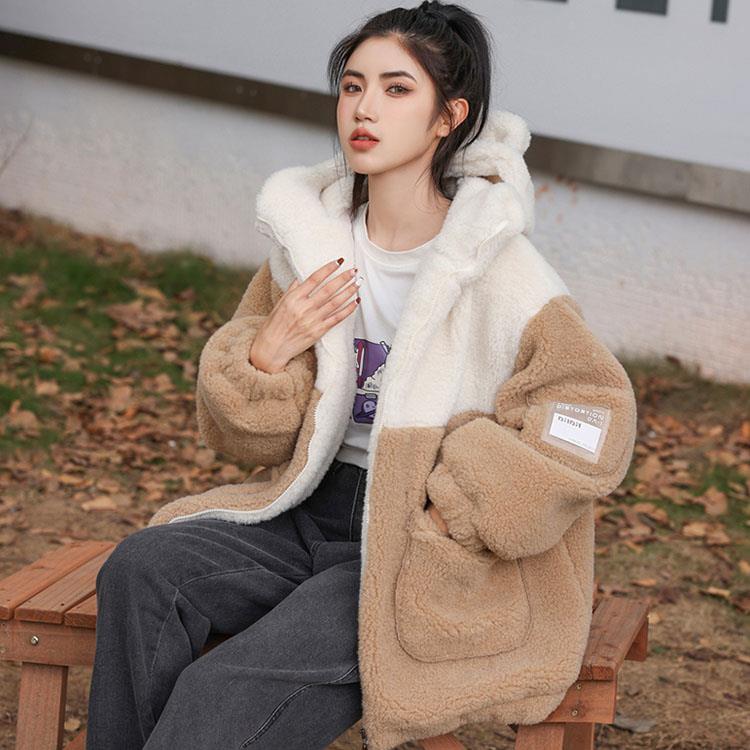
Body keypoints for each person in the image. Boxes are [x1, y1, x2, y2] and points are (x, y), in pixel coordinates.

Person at [86, 2, 638, 749]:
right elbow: (245, 441)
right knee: (143, 568)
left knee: (222, 690)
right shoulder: (311, 246)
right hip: (304, 513)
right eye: (352, 86)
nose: (364, 108)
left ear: (448, 118)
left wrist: (457, 508)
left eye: (396, 89)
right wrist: (267, 353)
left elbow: (593, 419)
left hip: (411, 541)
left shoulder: (501, 272)